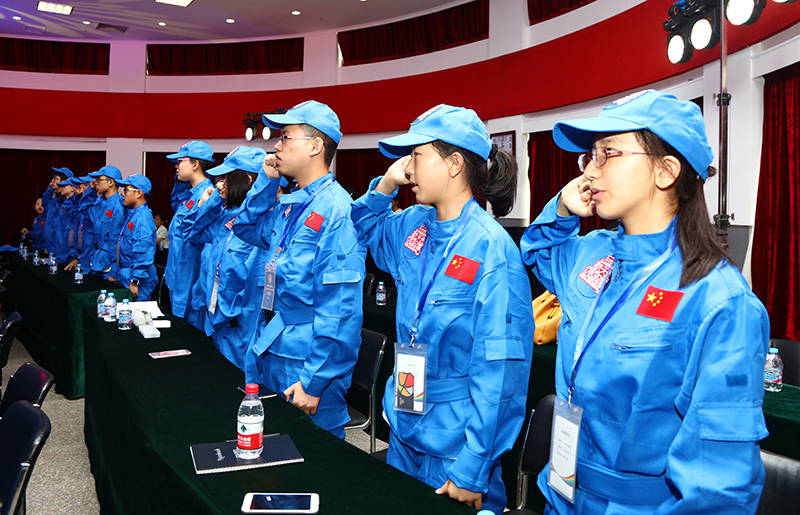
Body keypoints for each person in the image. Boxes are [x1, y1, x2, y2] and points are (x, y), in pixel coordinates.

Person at [519, 90, 770, 515]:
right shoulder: (593, 253)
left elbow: (717, 493)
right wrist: (561, 209)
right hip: (561, 491)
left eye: (609, 153)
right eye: (590, 156)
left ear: (665, 171)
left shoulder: (719, 300)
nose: (590, 171)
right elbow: (538, 254)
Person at [350, 104, 534, 514]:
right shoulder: (413, 225)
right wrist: (385, 185)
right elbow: (361, 227)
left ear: (453, 165)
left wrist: (474, 465)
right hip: (404, 416)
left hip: (456, 441)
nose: (408, 166)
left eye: (417, 155)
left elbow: (501, 374)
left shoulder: (491, 249)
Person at [233, 100, 366, 439]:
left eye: (285, 137)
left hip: (308, 361)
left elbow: (341, 309)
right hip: (275, 343)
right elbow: (245, 228)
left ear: (315, 146)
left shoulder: (337, 209)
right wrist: (266, 182)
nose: (276, 146)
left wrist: (314, 381)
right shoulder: (292, 205)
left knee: (311, 454)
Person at [182, 146, 268, 370]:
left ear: (248, 180)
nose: (220, 184)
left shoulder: (264, 224)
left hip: (240, 330)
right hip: (216, 323)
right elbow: (193, 233)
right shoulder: (228, 218)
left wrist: (234, 317)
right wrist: (213, 201)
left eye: (226, 178)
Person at [165, 141, 215, 329]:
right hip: (177, 278)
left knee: (190, 333)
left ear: (195, 165)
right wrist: (179, 182)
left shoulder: (208, 195)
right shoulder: (189, 196)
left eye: (180, 161)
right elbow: (174, 203)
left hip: (191, 281)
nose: (176, 166)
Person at [108, 174, 158, 301]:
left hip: (138, 278)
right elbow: (120, 200)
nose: (123, 194)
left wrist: (135, 281)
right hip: (128, 273)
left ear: (139, 193)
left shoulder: (143, 218)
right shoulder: (134, 213)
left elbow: (143, 253)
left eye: (126, 190)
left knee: (137, 310)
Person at [87, 166, 126, 277]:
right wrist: (90, 191)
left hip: (109, 263)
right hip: (97, 258)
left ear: (111, 182)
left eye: (99, 180)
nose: (96, 183)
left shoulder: (118, 206)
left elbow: (115, 241)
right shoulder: (100, 203)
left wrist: (114, 269)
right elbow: (82, 210)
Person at [43, 167, 73, 256]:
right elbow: (45, 202)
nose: (52, 181)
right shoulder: (54, 201)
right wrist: (50, 188)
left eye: (55, 179)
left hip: (62, 251)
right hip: (50, 247)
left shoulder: (67, 203)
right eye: (52, 178)